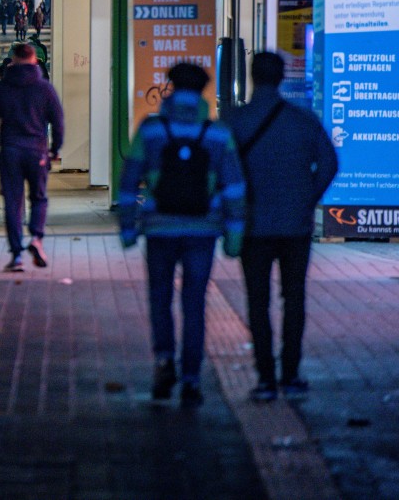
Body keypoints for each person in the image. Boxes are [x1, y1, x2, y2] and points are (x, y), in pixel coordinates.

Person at [118, 63, 247, 406]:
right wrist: (234, 235)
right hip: (202, 231)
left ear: (171, 87)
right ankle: (191, 379)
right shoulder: (218, 133)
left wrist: (128, 228)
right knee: (195, 303)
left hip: (160, 229)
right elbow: (234, 188)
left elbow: (129, 180)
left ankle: (163, 363)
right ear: (204, 90)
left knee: (160, 299)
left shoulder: (150, 130)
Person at [227, 52, 337, 402]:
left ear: (252, 76)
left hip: (254, 225)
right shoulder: (302, 120)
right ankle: (291, 374)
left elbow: (223, 172)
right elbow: (330, 163)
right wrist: (308, 197)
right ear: (281, 77)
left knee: (257, 301)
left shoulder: (236, 121)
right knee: (294, 298)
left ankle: (264, 378)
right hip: (296, 226)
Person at [0, 43, 65, 272]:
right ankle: (36, 238)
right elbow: (58, 121)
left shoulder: (3, 87)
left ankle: (16, 256)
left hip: (11, 151)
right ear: (35, 60)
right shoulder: (45, 88)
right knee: (39, 198)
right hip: (37, 151)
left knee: (13, 203)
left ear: (13, 60)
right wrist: (55, 148)